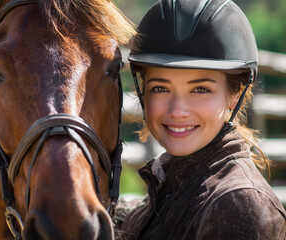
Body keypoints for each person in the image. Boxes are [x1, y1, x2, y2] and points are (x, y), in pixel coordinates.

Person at [114, 0, 286, 239]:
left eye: (200, 89)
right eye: (160, 88)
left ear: (234, 96)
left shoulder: (238, 206)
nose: (177, 111)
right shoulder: (167, 190)